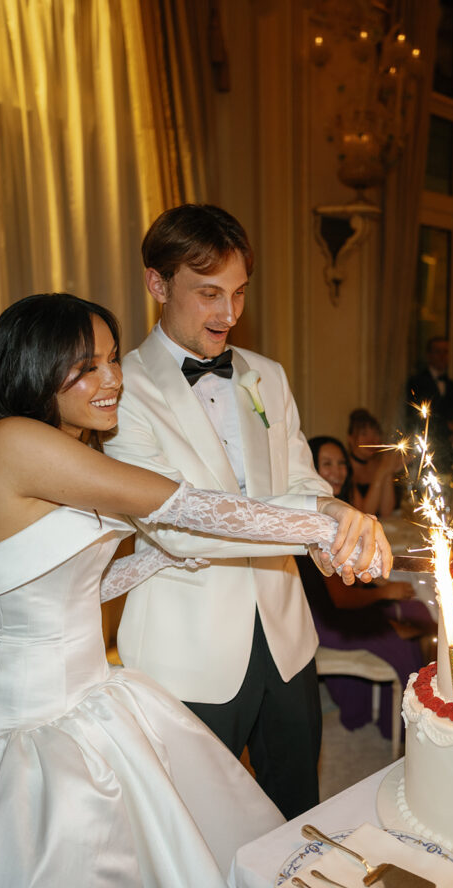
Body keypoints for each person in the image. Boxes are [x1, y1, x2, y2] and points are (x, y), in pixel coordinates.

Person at [0, 293, 389, 888]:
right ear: (35, 369)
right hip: (37, 718)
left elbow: (77, 580)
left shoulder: (63, 448)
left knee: (172, 883)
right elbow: (183, 507)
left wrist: (164, 567)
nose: (112, 379)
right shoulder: (12, 439)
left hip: (90, 692)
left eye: (112, 359)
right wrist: (325, 522)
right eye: (86, 366)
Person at [105, 203, 382, 821]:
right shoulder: (119, 391)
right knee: (199, 827)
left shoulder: (267, 377)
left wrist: (335, 514)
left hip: (287, 637)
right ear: (157, 283)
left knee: (298, 811)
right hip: (187, 650)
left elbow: (302, 478)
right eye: (208, 294)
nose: (228, 315)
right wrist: (315, 523)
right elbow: (177, 523)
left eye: (237, 294)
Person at [297, 436, 432, 740]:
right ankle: (399, 724)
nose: (337, 471)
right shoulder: (318, 521)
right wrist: (386, 593)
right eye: (326, 464)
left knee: (417, 611)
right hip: (325, 618)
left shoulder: (340, 508)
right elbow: (341, 599)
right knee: (409, 624)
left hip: (332, 604)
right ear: (308, 468)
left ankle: (406, 711)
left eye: (341, 463)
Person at [346, 407, 400, 517]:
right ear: (350, 439)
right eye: (364, 434)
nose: (371, 440)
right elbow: (363, 515)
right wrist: (381, 473)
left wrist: (387, 471)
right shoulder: (343, 468)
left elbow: (386, 512)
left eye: (375, 434)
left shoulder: (380, 465)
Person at [405, 337, 453, 437]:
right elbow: (413, 413)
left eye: (445, 352)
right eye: (438, 352)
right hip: (425, 435)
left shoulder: (450, 384)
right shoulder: (417, 382)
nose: (442, 356)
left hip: (447, 437)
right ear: (429, 355)